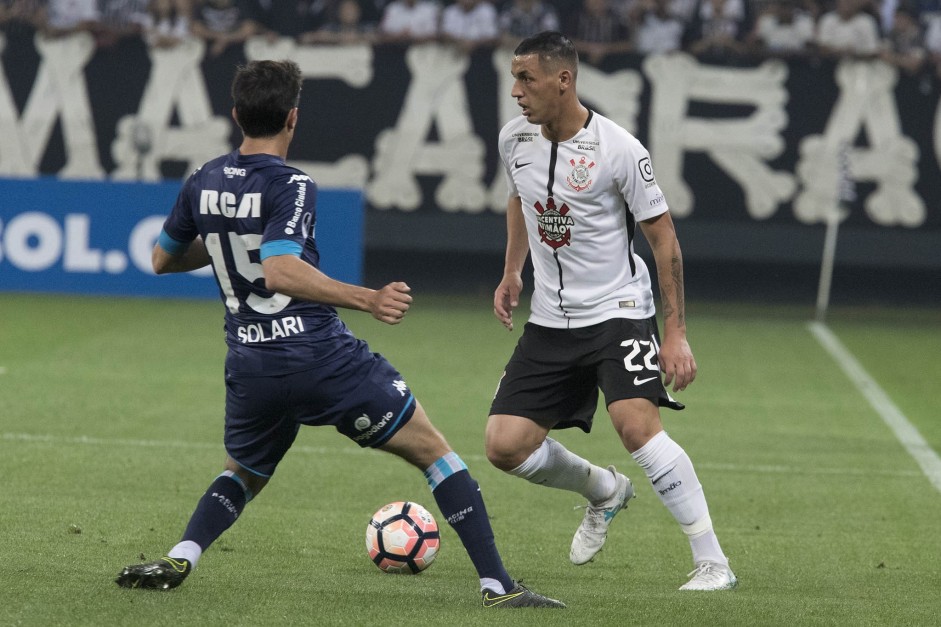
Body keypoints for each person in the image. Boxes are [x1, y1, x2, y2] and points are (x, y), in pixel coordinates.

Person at [114, 59, 565, 610]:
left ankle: (182, 554)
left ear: (236, 115)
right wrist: (367, 298)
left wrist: (224, 237)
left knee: (246, 470)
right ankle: (499, 587)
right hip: (319, 357)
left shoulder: (204, 178)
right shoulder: (293, 184)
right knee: (436, 454)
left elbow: (161, 258)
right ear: (293, 119)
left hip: (251, 364)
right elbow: (280, 270)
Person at [485, 31, 737, 592]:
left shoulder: (620, 149)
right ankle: (602, 490)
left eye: (527, 78)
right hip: (551, 317)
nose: (516, 91)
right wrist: (512, 272)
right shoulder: (514, 140)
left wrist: (676, 332)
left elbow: (664, 239)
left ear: (563, 80)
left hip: (617, 308)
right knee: (503, 446)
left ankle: (713, 562)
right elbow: (519, 201)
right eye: (514, 77)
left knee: (636, 427)